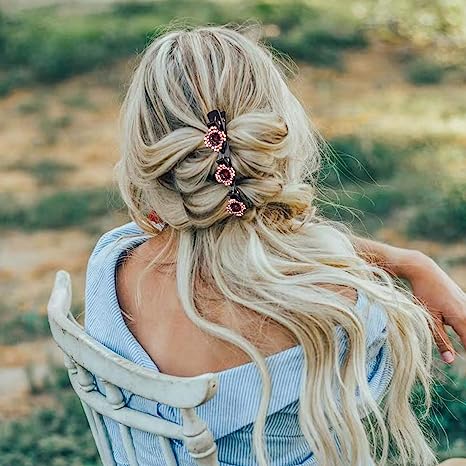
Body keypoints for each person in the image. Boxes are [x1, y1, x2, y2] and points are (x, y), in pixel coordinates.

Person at [84, 24, 466, 466]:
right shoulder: (336, 314)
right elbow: (292, 249)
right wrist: (410, 265)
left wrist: (405, 261)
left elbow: (245, 234)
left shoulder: (111, 264)